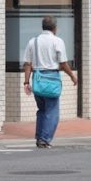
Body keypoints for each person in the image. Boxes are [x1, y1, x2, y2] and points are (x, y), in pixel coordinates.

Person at [23, 16, 78, 149]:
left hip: (37, 79)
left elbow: (27, 64)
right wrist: (72, 75)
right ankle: (44, 139)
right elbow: (63, 63)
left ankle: (39, 137)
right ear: (54, 28)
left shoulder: (33, 42)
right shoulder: (57, 41)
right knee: (52, 111)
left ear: (43, 27)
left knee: (41, 110)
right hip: (52, 78)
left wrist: (26, 82)